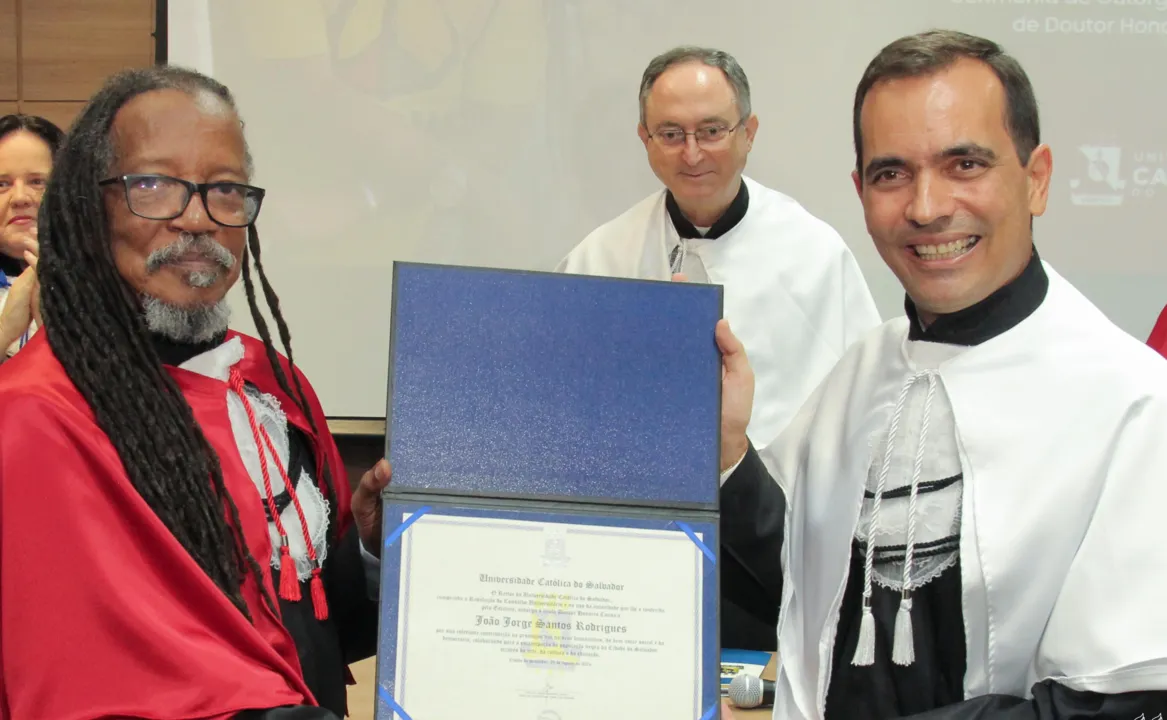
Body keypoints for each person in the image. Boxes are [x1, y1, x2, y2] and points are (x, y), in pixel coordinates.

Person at [718, 30, 1167, 719]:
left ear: (1036, 177)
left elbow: (1108, 704)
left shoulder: (1131, 402)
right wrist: (729, 453)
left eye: (963, 163)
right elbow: (802, 595)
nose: (925, 208)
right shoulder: (862, 373)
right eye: (890, 173)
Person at [0, 67, 392, 719]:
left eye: (226, 190)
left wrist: (369, 550)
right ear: (86, 208)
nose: (197, 218)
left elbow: (315, 629)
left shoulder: (275, 385)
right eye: (154, 184)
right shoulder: (38, 417)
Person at [556, 45, 882, 652]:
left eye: (712, 130)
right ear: (644, 139)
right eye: (671, 133)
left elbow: (867, 419)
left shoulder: (816, 256)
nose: (693, 153)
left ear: (749, 132)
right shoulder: (600, 257)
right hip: (628, 574)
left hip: (773, 563)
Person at [0, 113, 64, 359]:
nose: (20, 198)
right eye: (2, 184)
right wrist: (4, 331)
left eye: (37, 181)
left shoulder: (110, 276)